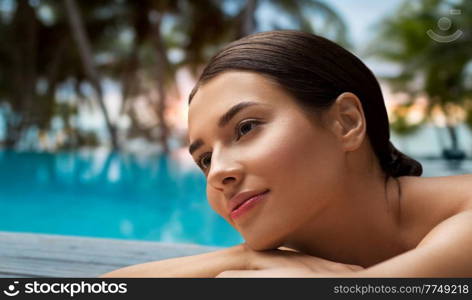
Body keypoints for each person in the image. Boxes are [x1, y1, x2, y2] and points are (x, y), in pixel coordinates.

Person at [101, 30, 472, 278]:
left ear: (346, 123)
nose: (217, 174)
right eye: (205, 159)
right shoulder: (299, 238)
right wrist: (241, 257)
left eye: (246, 128)